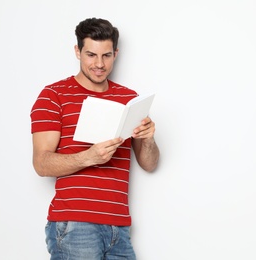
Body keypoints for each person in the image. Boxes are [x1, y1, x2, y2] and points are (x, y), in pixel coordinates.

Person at [30, 17, 160, 259]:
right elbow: (41, 163)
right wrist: (88, 157)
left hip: (119, 227)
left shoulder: (129, 99)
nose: (99, 64)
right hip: (75, 226)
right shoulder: (53, 96)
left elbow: (149, 164)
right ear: (77, 51)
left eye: (107, 55)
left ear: (116, 53)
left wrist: (149, 139)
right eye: (91, 55)